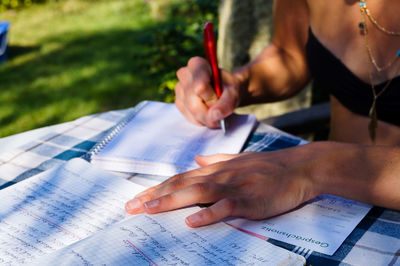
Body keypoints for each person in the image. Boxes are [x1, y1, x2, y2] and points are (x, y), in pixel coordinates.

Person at [125, 0, 400, 227]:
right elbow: (289, 54)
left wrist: (316, 163)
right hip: (327, 207)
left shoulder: (310, 166)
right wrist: (237, 85)